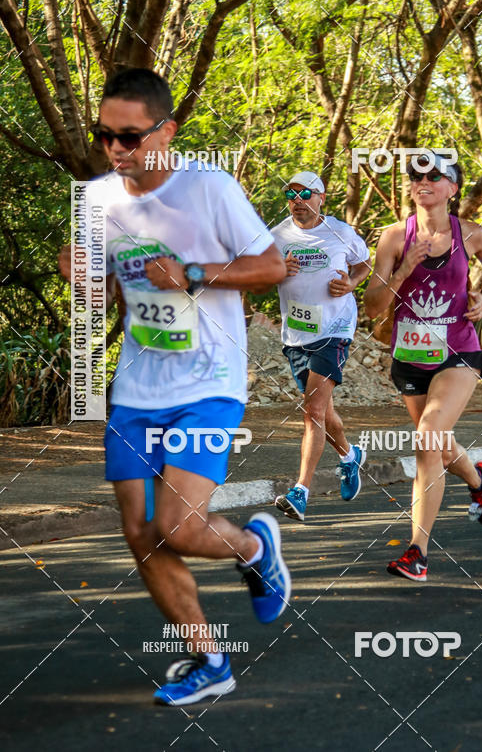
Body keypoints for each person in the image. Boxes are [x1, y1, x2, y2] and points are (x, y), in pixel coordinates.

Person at [59, 68, 291, 705]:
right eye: (104, 135)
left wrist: (191, 273)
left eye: (129, 136)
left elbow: (272, 265)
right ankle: (209, 661)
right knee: (140, 532)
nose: (115, 149)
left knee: (178, 527)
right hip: (137, 389)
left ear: (167, 131)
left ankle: (254, 548)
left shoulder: (209, 187)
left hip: (209, 383)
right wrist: (82, 275)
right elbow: (105, 291)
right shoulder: (95, 199)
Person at [364, 153, 482, 582]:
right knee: (437, 444)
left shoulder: (471, 234)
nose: (423, 181)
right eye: (416, 175)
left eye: (435, 175)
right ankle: (478, 480)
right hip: (410, 357)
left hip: (459, 351)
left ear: (452, 188)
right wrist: (404, 269)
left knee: (427, 439)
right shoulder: (393, 237)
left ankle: (417, 552)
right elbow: (372, 307)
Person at [270, 171, 372, 521]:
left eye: (305, 194)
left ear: (321, 198)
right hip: (296, 334)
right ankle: (349, 456)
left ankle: (300, 492)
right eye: (291, 194)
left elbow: (363, 264)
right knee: (322, 412)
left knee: (312, 410)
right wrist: (276, 270)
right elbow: (257, 277)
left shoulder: (340, 232)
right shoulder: (276, 236)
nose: (297, 201)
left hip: (335, 329)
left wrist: (351, 284)